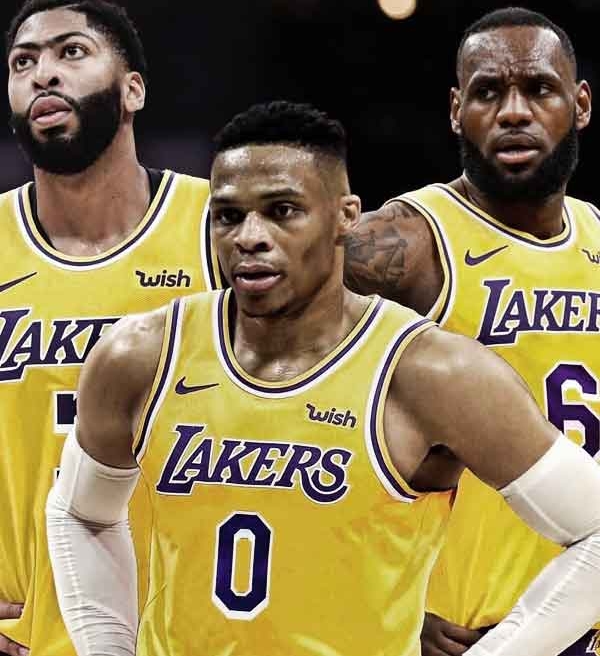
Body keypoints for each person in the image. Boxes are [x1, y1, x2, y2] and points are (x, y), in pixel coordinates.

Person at [46, 100, 600, 656]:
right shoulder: (140, 355)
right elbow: (79, 513)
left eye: (282, 210)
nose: (249, 237)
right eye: (228, 216)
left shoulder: (429, 373)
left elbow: (593, 533)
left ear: (345, 216)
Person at [344, 6, 600, 656]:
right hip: (466, 632)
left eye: (538, 89)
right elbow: (288, 416)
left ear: (580, 104)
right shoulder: (404, 245)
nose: (514, 112)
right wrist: (378, 603)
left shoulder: (599, 238)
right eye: (488, 93)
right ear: (458, 111)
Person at [0, 1, 222, 654]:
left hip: (196, 630)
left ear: (133, 90)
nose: (43, 74)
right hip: (28, 632)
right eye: (23, 62)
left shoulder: (221, 228)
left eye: (71, 52)